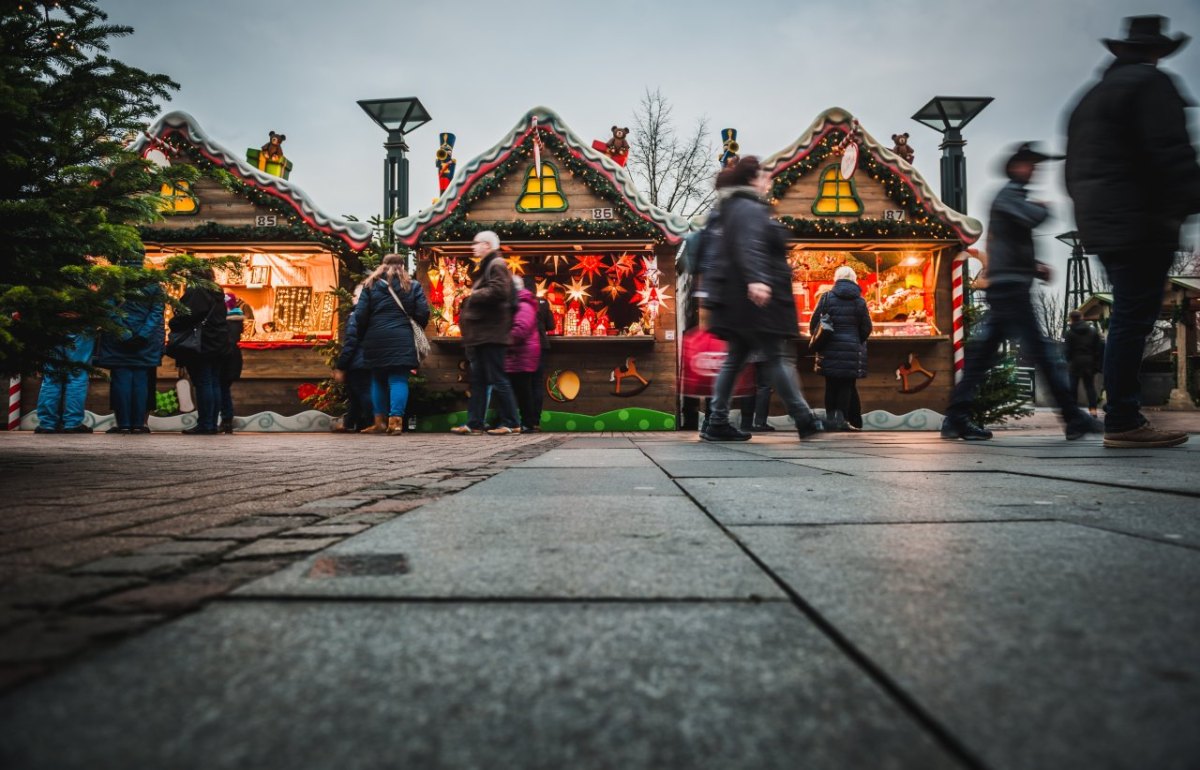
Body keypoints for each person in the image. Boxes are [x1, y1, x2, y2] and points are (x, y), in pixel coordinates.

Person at [1065, 15, 1200, 448]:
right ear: (1156, 52)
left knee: (1128, 315)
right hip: (1143, 220)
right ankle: (1122, 417)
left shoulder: (1090, 99)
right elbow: (1171, 154)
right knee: (1133, 318)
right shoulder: (1151, 86)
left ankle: (1121, 413)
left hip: (1103, 223)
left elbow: (1075, 170)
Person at [941, 143, 1102, 442]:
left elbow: (1009, 244)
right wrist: (1044, 208)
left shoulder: (1009, 196)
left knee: (983, 358)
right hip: (1010, 288)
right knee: (1041, 352)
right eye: (1032, 165)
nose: (1036, 171)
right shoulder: (1010, 195)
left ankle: (956, 418)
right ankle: (1072, 417)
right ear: (1017, 167)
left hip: (1009, 284)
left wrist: (1032, 266)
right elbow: (1031, 218)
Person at [702, 155, 823, 441]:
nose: (769, 180)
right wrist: (757, 279)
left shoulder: (729, 208)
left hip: (735, 299)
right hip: (756, 300)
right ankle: (804, 418)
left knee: (737, 359)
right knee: (777, 356)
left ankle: (717, 420)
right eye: (765, 175)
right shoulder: (748, 208)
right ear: (753, 179)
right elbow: (750, 243)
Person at [350, 253, 430, 435]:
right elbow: (423, 312)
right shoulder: (413, 286)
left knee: (377, 379)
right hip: (403, 337)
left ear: (382, 266)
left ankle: (379, 423)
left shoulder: (370, 286)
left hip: (375, 337)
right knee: (398, 379)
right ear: (402, 266)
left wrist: (364, 335)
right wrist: (414, 327)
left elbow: (360, 315)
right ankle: (395, 422)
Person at [451, 230, 520, 435]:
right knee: (480, 380)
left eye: (477, 243)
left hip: (491, 333)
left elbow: (500, 291)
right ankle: (474, 423)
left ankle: (511, 422)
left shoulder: (496, 265)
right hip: (483, 334)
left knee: (498, 378)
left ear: (488, 245)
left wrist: (473, 294)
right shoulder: (488, 266)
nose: (473, 247)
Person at [94, 278, 165, 435]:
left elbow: (108, 310)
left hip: (118, 342)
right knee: (141, 381)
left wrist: (124, 333)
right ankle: (139, 424)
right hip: (144, 343)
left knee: (121, 380)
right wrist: (143, 334)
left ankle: (124, 424)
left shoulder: (113, 282)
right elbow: (157, 312)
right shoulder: (154, 286)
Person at [810, 265, 872, 431]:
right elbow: (867, 328)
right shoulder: (860, 301)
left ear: (836, 279)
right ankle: (843, 421)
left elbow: (814, 323)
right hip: (851, 348)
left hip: (829, 347)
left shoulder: (826, 297)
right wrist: (855, 340)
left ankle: (831, 421)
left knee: (831, 385)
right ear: (854, 279)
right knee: (846, 385)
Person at [170, 266, 229, 435]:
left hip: (201, 344)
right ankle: (211, 422)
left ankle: (205, 423)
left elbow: (187, 316)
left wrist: (173, 323)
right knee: (214, 382)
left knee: (203, 382)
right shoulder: (217, 292)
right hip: (217, 343)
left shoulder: (197, 291)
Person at [333, 283, 374, 433]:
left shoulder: (356, 316)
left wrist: (341, 366)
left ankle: (373, 422)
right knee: (355, 393)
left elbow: (350, 342)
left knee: (362, 392)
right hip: (372, 360)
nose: (352, 298)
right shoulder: (374, 315)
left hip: (359, 361)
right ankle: (349, 423)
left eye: (355, 296)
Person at [34, 332, 95, 434]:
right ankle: (72, 423)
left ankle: (47, 424)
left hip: (52, 326)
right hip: (81, 325)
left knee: (51, 376)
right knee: (77, 375)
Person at [506, 275, 542, 432]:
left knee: (521, 390)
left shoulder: (523, 304)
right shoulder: (520, 303)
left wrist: (503, 339)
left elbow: (520, 330)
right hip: (519, 353)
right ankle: (519, 422)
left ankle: (524, 423)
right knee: (520, 389)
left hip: (521, 353)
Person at [524, 274, 555, 433]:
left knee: (525, 385)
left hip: (523, 347)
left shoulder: (517, 302)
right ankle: (535, 421)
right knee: (537, 384)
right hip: (541, 346)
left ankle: (525, 421)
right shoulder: (543, 303)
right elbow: (551, 325)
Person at [1064, 310, 1104, 417]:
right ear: (1081, 317)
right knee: (1090, 387)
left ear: (1071, 319)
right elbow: (1098, 348)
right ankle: (1093, 409)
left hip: (1075, 362)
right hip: (1089, 362)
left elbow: (1067, 350)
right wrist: (1096, 363)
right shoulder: (1092, 331)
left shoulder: (1069, 333)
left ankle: (1073, 410)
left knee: (1073, 387)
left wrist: (1069, 360)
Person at [218, 294, 244, 434]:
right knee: (224, 389)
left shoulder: (224, 321)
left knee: (221, 389)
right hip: (233, 357)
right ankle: (226, 420)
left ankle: (224, 419)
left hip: (224, 356)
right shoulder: (237, 320)